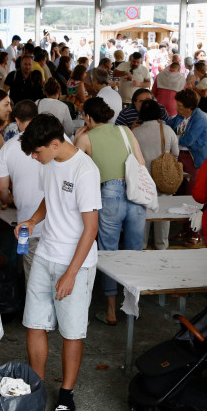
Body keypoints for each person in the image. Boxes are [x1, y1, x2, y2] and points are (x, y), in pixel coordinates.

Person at [17, 114, 101, 411]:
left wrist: (71, 273)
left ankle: (66, 394)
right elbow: (47, 200)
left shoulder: (85, 171)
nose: (35, 158)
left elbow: (90, 229)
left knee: (71, 330)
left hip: (75, 261)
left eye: (38, 152)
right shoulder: (48, 164)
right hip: (45, 253)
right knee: (35, 323)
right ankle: (36, 388)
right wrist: (32, 221)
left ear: (55, 143)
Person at [74, 97, 147, 325]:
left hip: (109, 193)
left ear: (87, 117)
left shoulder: (85, 138)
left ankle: (111, 311)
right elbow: (141, 164)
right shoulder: (125, 131)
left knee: (108, 253)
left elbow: (76, 172)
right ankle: (134, 307)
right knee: (134, 251)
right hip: (135, 194)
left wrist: (77, 137)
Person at [0, 100, 48, 278]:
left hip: (28, 224)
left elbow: (1, 189)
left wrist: (11, 200)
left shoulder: (8, 147)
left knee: (33, 281)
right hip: (59, 225)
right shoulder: (58, 140)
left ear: (16, 121)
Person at [133, 100, 179, 250]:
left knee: (143, 217)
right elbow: (176, 153)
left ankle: (142, 246)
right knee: (163, 217)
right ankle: (161, 247)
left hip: (142, 181)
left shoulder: (135, 133)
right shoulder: (166, 130)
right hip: (163, 180)